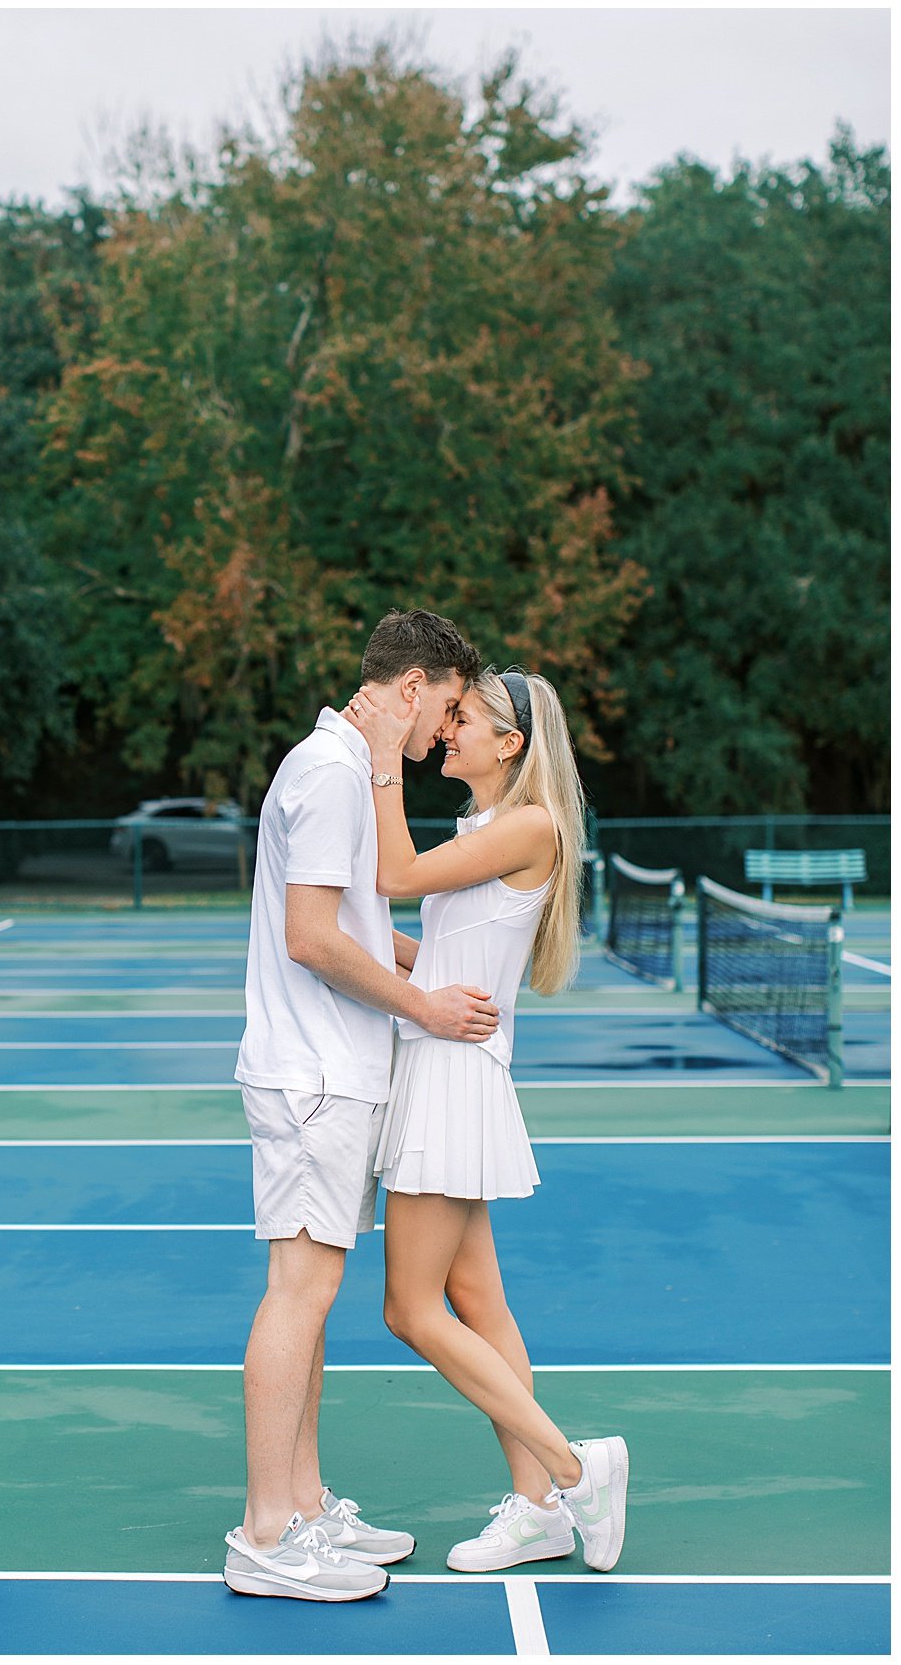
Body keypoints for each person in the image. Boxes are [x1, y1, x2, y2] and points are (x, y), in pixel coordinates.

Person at [223, 609, 502, 1603]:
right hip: (312, 1076)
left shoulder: (333, 765)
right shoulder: (335, 771)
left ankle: (302, 1502)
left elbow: (353, 924)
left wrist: (448, 971)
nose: (443, 731)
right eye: (450, 707)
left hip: (329, 1074)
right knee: (298, 1290)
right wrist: (425, 1005)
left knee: (315, 1291)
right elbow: (311, 936)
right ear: (413, 683)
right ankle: (265, 1532)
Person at [342, 668, 629, 1575]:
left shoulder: (527, 824)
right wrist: (348, 934)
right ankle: (540, 1512)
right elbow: (447, 955)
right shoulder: (485, 829)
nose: (446, 729)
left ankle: (577, 1469)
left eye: (461, 718)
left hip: (453, 1081)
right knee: (480, 1304)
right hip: (447, 1066)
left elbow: (393, 872)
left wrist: (382, 755)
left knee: (409, 1309)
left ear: (510, 745)